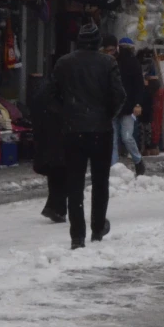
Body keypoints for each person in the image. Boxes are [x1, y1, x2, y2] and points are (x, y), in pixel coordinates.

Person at [52, 22, 126, 249]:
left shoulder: (64, 63)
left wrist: (66, 115)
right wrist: (107, 115)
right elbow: (119, 95)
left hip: (73, 131)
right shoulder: (108, 63)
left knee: (74, 184)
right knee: (100, 182)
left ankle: (77, 235)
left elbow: (52, 96)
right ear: (98, 44)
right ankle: (97, 228)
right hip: (100, 131)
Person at [30, 74, 66, 224]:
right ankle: (57, 208)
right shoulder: (61, 96)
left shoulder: (43, 92)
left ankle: (55, 207)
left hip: (47, 143)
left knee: (56, 175)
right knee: (63, 174)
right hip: (59, 142)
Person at [111, 36, 146, 177]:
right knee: (123, 137)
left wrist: (137, 103)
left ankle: (137, 161)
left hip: (125, 107)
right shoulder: (115, 63)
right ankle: (114, 169)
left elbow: (138, 86)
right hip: (119, 107)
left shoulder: (131, 64)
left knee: (121, 138)